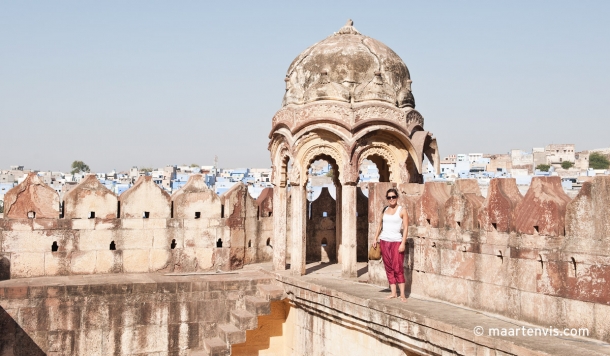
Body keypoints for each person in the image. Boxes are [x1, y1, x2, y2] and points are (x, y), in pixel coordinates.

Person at [372, 188, 408, 302]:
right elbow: (379, 225)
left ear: (397, 197)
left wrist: (403, 243)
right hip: (384, 241)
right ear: (387, 199)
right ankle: (393, 293)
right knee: (388, 267)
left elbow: (406, 228)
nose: (391, 199)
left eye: (393, 197)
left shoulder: (402, 210)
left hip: (396, 241)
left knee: (398, 267)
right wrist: (375, 238)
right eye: (389, 197)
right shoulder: (384, 210)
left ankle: (402, 294)